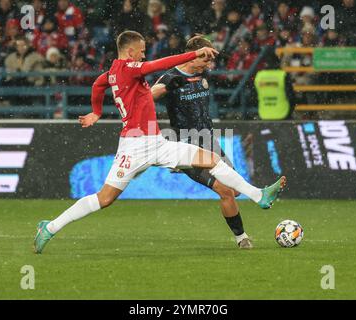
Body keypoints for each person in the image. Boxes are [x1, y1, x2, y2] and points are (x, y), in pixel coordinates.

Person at [34, 30, 286, 254]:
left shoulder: (113, 72)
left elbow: (98, 84)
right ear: (130, 51)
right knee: (105, 198)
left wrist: (96, 112)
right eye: (141, 51)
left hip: (157, 142)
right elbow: (157, 66)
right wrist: (194, 53)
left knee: (212, 159)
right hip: (134, 145)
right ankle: (51, 227)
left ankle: (259, 195)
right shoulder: (129, 67)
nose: (143, 56)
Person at [150, 35, 254, 248]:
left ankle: (181, 167)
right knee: (225, 191)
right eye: (205, 58)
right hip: (186, 145)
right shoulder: (171, 76)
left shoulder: (203, 74)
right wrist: (168, 88)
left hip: (209, 140)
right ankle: (242, 238)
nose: (209, 64)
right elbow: (148, 96)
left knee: (234, 190)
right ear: (192, 56)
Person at [254, 47, 295, 120]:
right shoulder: (282, 75)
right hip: (283, 114)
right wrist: (290, 112)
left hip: (264, 115)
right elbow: (291, 97)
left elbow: (253, 96)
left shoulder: (259, 76)